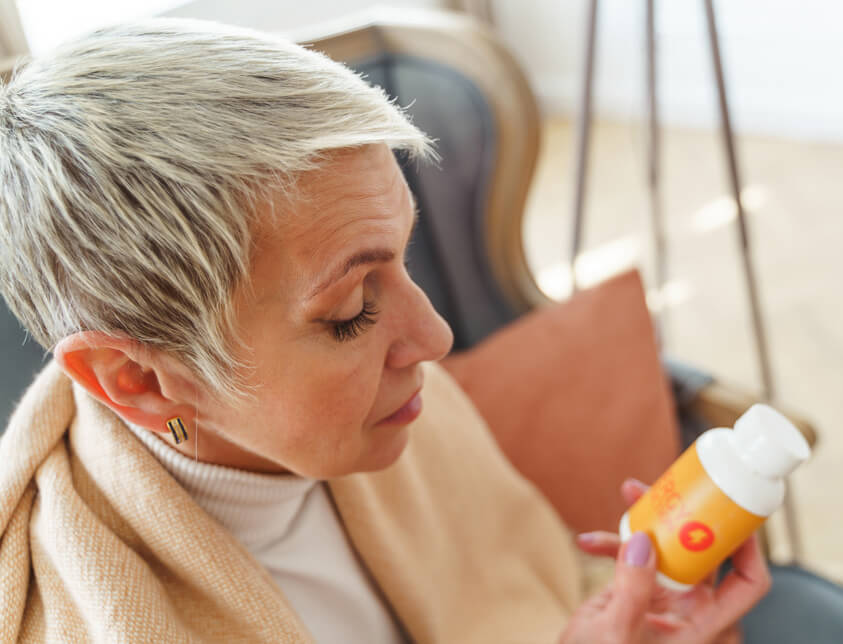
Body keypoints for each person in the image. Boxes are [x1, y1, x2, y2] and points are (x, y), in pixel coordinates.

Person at [0, 18, 769, 643]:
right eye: (350, 313)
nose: (434, 340)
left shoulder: (400, 412)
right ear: (136, 379)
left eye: (403, 256)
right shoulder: (87, 623)